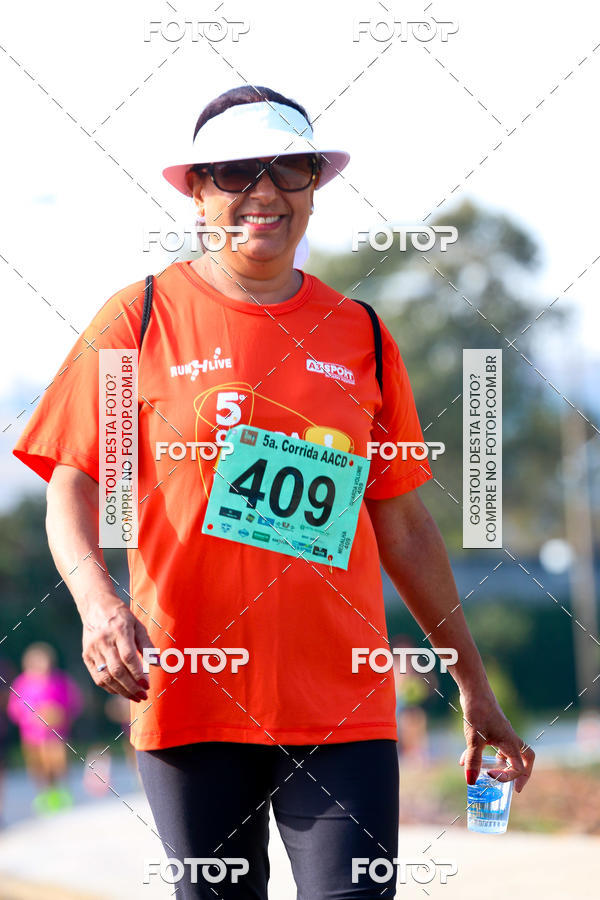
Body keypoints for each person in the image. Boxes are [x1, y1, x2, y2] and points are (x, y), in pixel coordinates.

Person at [13, 86, 534, 897]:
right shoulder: (138, 320)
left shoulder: (358, 332)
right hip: (189, 695)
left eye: (289, 168)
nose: (264, 191)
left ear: (316, 185)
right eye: (233, 172)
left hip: (342, 706)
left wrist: (470, 681)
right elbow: (71, 484)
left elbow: (403, 526)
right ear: (195, 191)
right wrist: (99, 605)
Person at [7, 642, 82, 814]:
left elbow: (74, 702)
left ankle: (60, 791)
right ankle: (44, 794)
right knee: (38, 766)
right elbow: (15, 708)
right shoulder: (21, 684)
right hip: (32, 735)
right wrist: (31, 717)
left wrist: (62, 715)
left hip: (56, 733)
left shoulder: (59, 681)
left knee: (58, 762)